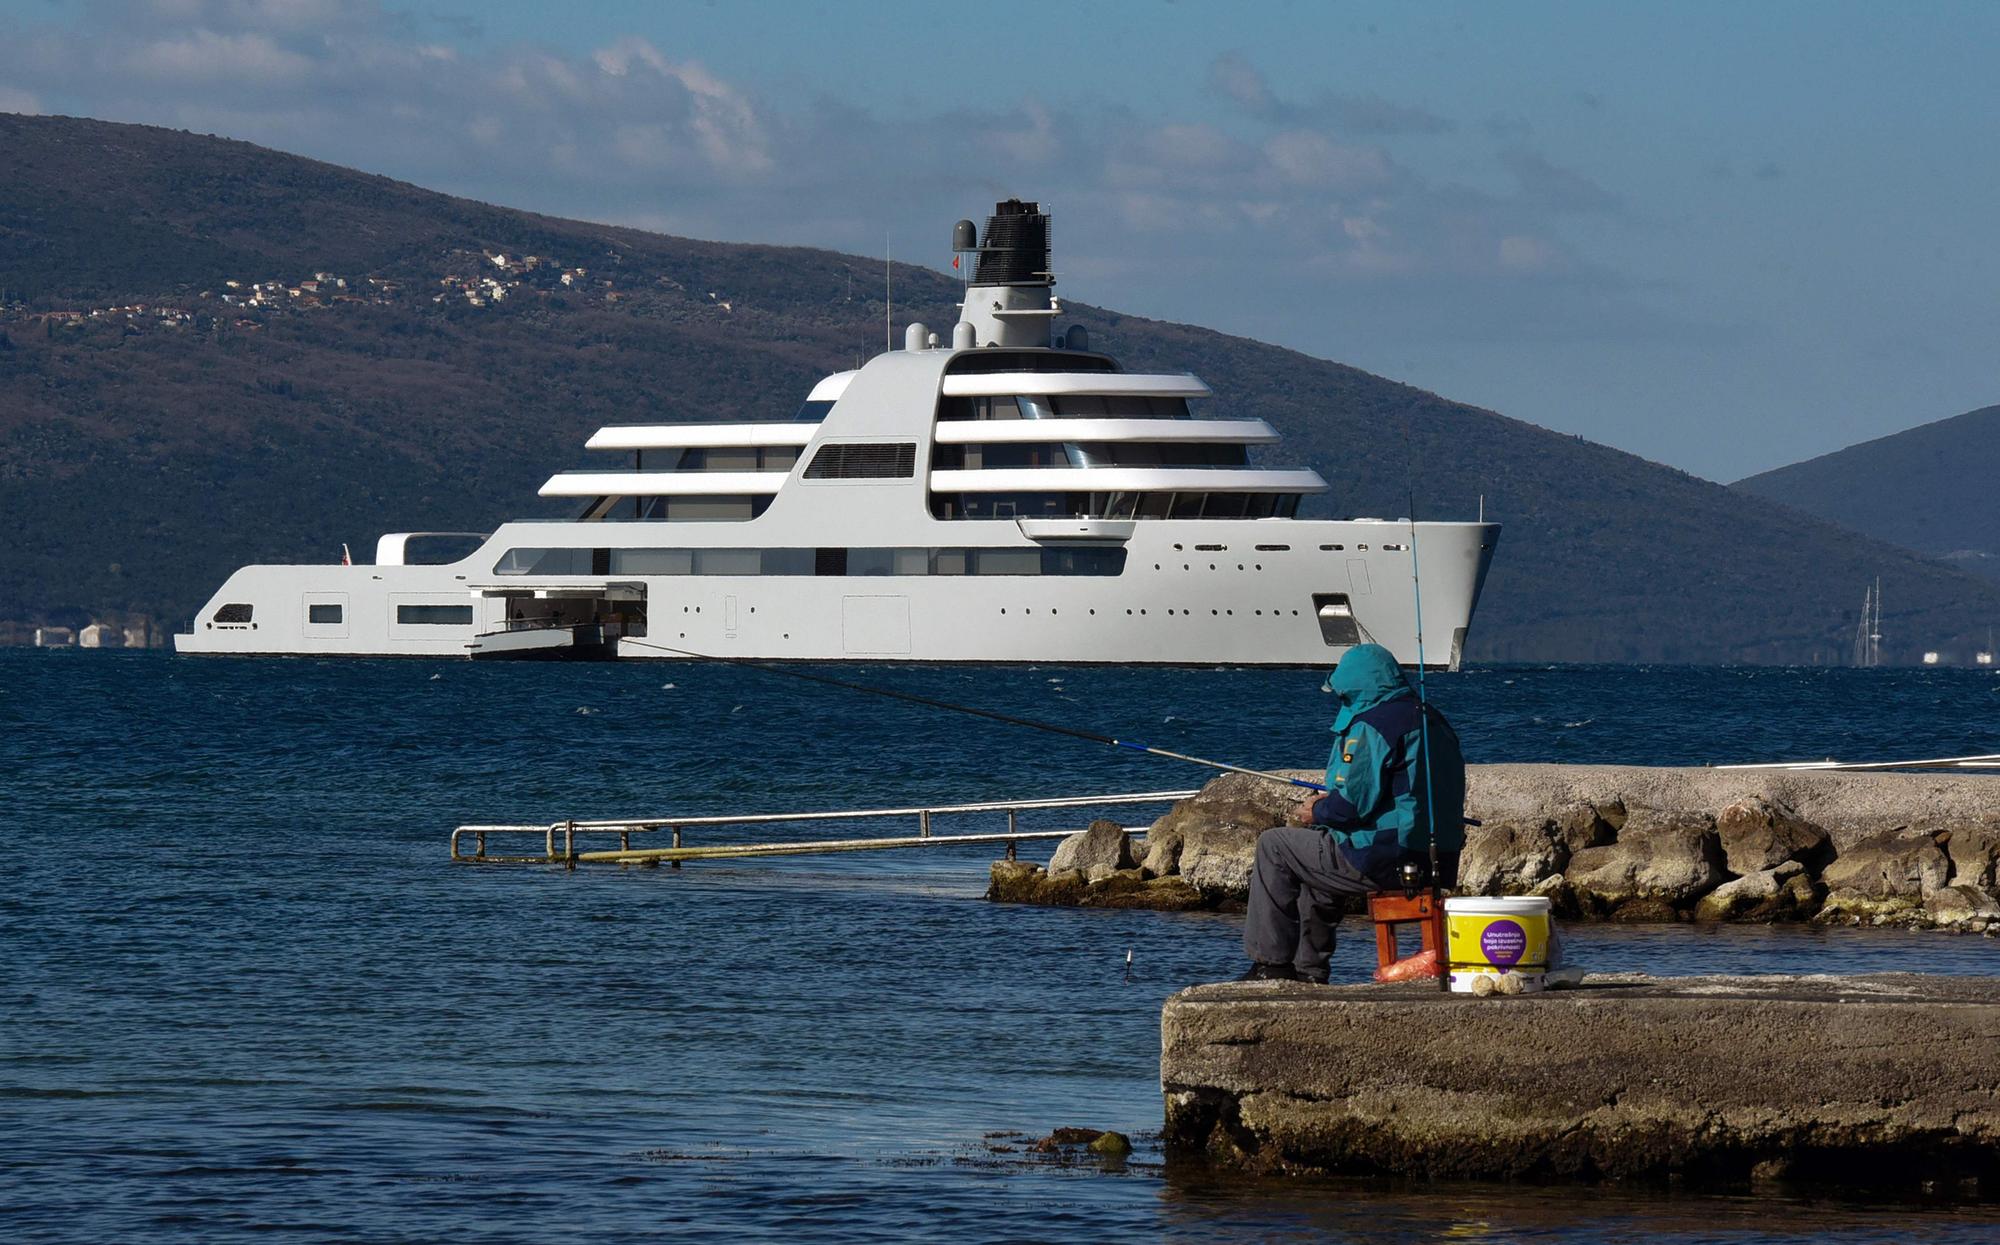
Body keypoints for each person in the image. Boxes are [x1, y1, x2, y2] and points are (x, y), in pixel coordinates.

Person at [1239, 643, 1465, 983]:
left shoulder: (1374, 724)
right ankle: (1308, 972)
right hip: (1436, 861)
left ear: (1357, 686)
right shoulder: (1432, 718)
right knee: (1317, 853)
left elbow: (1349, 808)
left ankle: (1271, 964)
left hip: (1385, 858)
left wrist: (1316, 809)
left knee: (1274, 845)